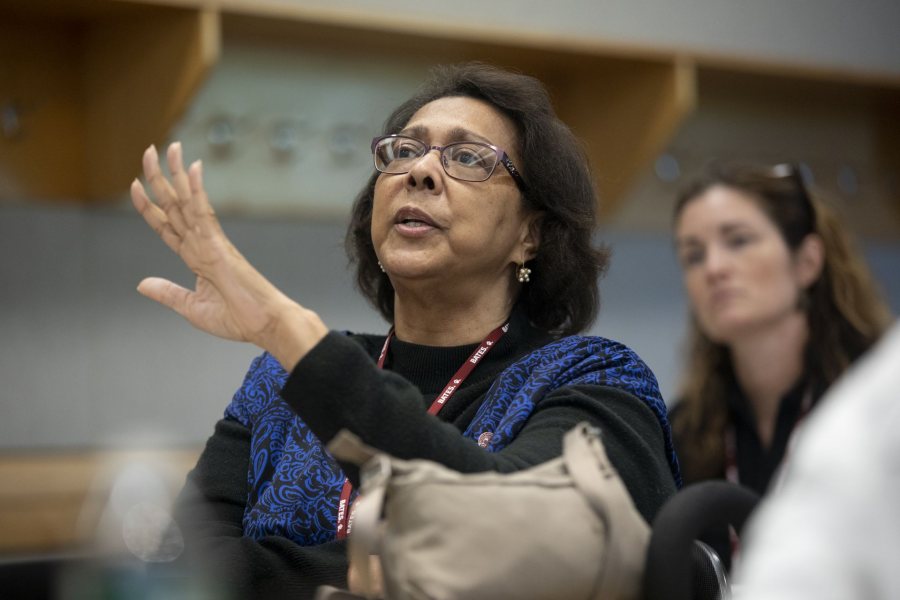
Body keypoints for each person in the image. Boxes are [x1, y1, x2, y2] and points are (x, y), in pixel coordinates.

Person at [130, 63, 681, 599]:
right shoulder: (281, 379)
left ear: (529, 236)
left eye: (467, 157)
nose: (420, 171)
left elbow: (514, 536)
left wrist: (284, 328)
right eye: (406, 150)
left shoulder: (596, 379)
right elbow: (181, 567)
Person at [668, 161, 892, 564]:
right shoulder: (682, 431)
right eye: (694, 256)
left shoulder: (879, 406)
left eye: (738, 241)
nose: (714, 268)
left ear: (806, 262)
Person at [732, 319, 900, 600]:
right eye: (693, 270)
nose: (715, 272)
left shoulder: (857, 405)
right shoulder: (687, 427)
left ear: (808, 271)